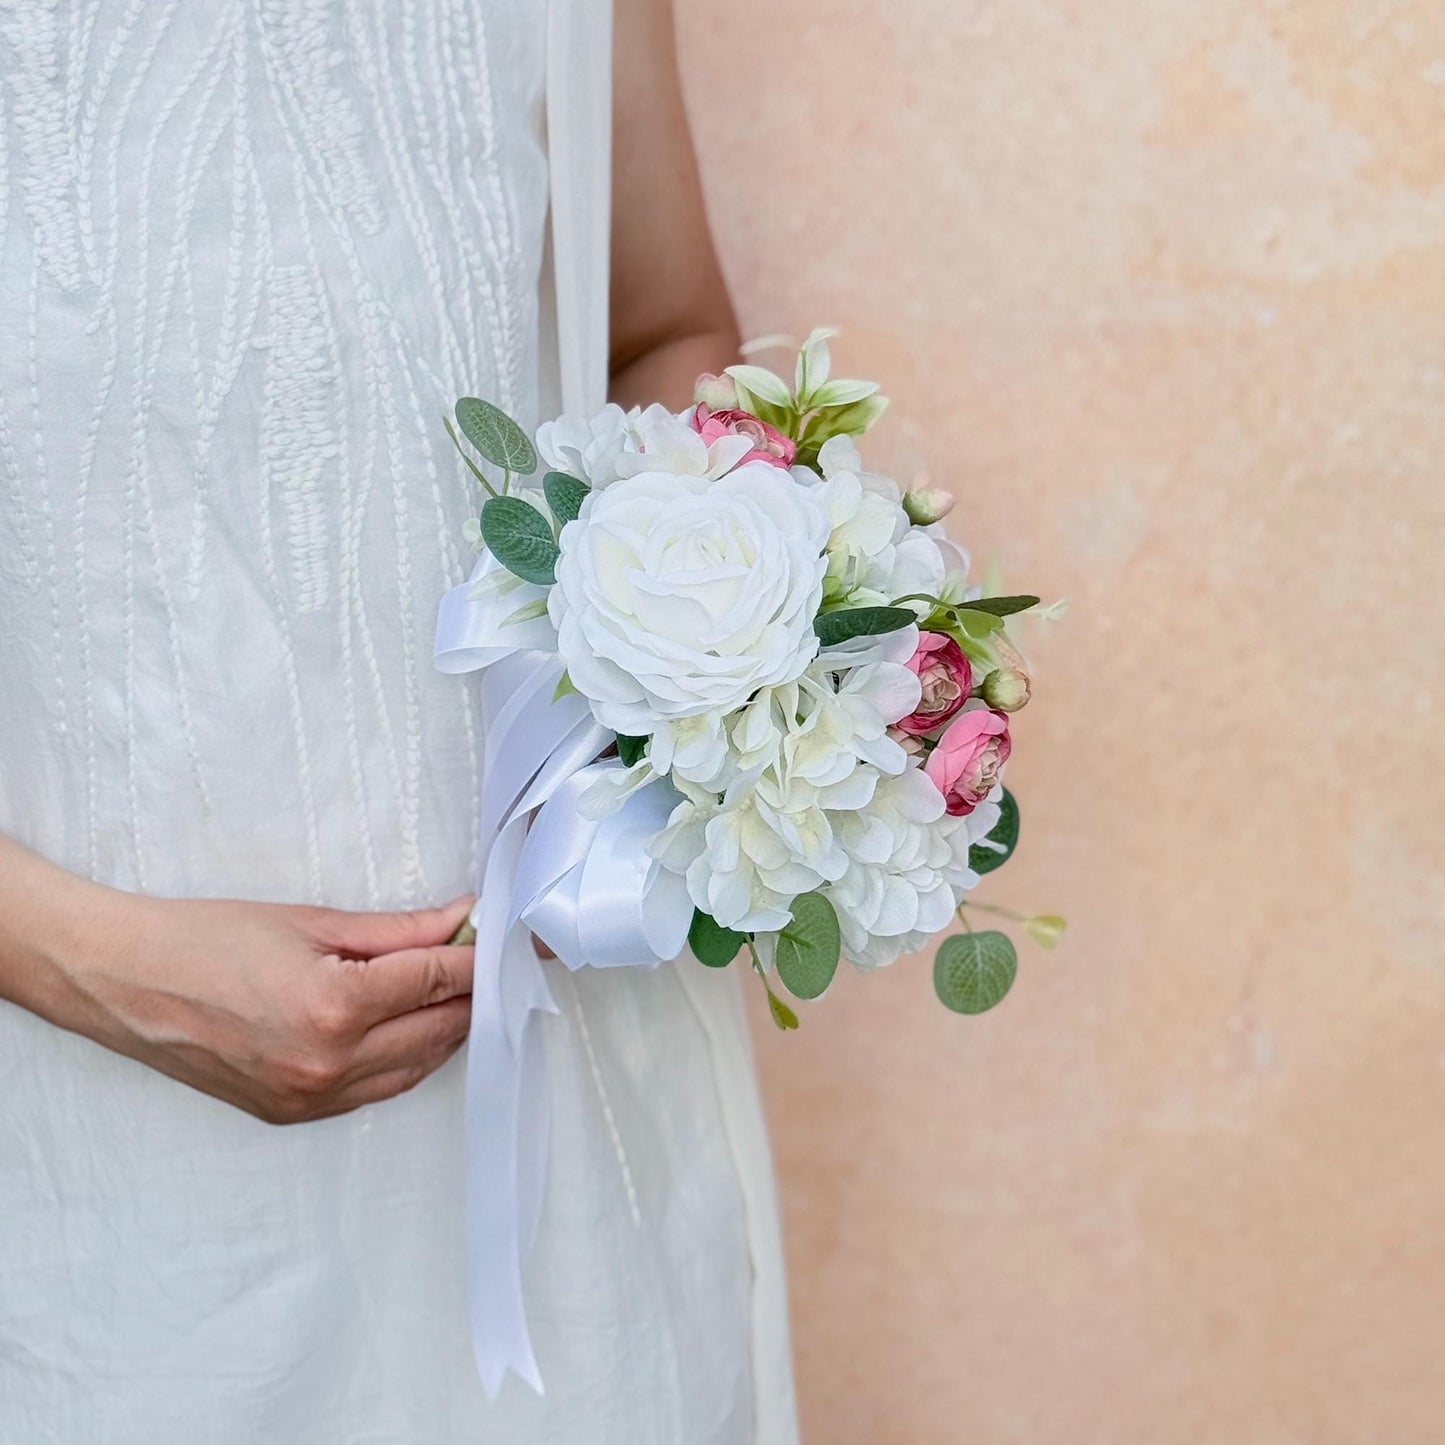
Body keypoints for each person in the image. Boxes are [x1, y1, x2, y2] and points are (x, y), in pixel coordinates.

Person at [0, 0, 797, 1439]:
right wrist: (81, 960)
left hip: (548, 1127)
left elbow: (662, 332)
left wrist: (739, 655)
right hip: (76, 1179)